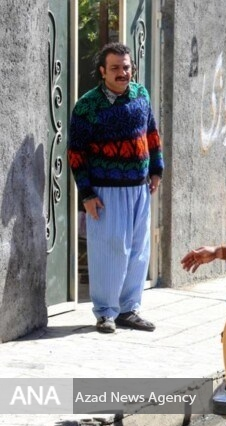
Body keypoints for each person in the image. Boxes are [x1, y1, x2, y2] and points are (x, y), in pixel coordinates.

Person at [68, 42, 163, 334]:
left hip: (139, 188)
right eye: (116, 68)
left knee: (138, 251)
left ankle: (128, 310)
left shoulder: (141, 94)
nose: (123, 73)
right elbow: (76, 152)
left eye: (126, 67)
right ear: (102, 72)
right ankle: (105, 313)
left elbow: (151, 132)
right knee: (110, 250)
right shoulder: (87, 105)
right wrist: (86, 193)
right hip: (105, 191)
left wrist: (157, 168)